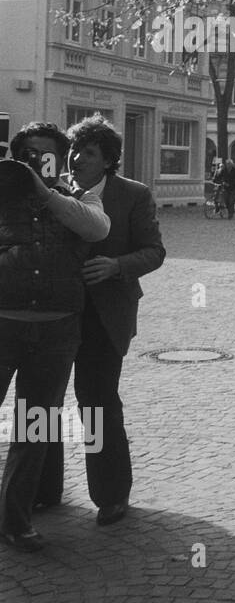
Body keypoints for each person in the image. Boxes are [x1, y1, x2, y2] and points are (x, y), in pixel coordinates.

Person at [35, 115, 165, 527]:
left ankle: (110, 495)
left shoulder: (133, 195)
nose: (75, 159)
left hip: (104, 316)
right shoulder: (52, 191)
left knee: (96, 402)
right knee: (44, 401)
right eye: (73, 150)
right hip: (54, 312)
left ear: (108, 160)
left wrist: (117, 266)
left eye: (87, 154)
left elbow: (154, 251)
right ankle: (42, 487)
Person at [0, 121, 110, 551]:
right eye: (27, 156)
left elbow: (97, 229)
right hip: (3, 322)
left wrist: (45, 191)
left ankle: (15, 520)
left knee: (35, 427)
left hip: (56, 329)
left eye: (45, 156)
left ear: (60, 160)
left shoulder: (81, 198)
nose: (36, 163)